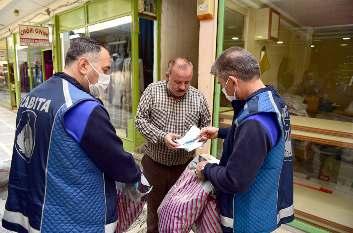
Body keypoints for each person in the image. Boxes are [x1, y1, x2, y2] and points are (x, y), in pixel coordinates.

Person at [2, 37, 141, 233]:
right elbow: (117, 161)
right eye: (106, 70)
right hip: (73, 218)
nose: (107, 78)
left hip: (33, 210)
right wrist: (137, 177)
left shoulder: (33, 96)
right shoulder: (81, 107)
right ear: (84, 65)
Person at [196, 47, 294, 233]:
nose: (223, 90)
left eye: (221, 84)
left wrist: (207, 168)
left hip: (247, 216)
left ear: (232, 81)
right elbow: (261, 137)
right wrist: (220, 132)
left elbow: (234, 180)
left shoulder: (256, 120)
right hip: (267, 199)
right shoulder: (272, 100)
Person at [135, 57, 211, 232]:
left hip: (184, 168)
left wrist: (198, 138)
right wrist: (163, 136)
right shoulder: (152, 91)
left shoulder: (198, 97)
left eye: (187, 82)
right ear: (167, 75)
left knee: (180, 212)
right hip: (155, 166)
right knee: (154, 211)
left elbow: (206, 126)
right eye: (177, 81)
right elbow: (140, 121)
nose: (183, 87)